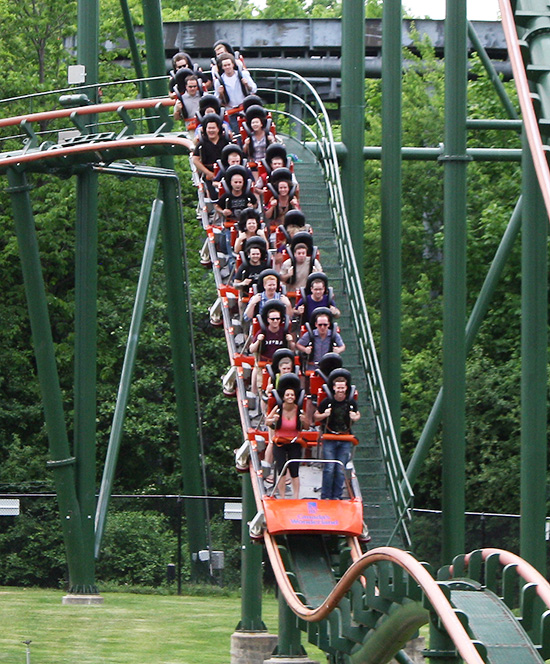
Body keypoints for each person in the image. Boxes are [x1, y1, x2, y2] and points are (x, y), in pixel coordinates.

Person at [314, 369, 360, 500]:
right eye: (338, 388)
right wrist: (324, 414)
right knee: (329, 468)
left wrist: (355, 417)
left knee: (340, 469)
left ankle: (337, 497)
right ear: (334, 388)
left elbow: (357, 414)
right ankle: (326, 496)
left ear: (346, 388)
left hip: (345, 438)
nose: (340, 390)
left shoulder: (350, 403)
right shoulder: (327, 402)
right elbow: (316, 416)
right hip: (330, 437)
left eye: (342, 388)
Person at [265, 373, 308, 499]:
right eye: (287, 395)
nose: (290, 397)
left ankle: (295, 496)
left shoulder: (299, 410)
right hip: (280, 442)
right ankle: (282, 496)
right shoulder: (278, 408)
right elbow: (267, 422)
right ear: (283, 397)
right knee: (281, 470)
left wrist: (304, 420)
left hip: (294, 442)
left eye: (292, 395)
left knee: (294, 471)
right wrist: (274, 419)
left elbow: (306, 426)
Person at [213, 53, 257, 133]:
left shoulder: (243, 75)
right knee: (238, 133)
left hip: (245, 109)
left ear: (233, 64)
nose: (227, 67)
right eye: (225, 65)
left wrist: (247, 85)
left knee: (251, 130)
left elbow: (254, 89)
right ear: (222, 67)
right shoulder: (219, 82)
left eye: (229, 64)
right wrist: (220, 94)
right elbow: (217, 101)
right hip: (231, 111)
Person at [192, 114, 230, 199]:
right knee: (214, 195)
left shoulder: (225, 141)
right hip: (210, 172)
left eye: (213, 128)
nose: (211, 130)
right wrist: (208, 172)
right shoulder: (202, 143)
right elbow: (195, 159)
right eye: (209, 128)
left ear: (218, 129)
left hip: (225, 171)